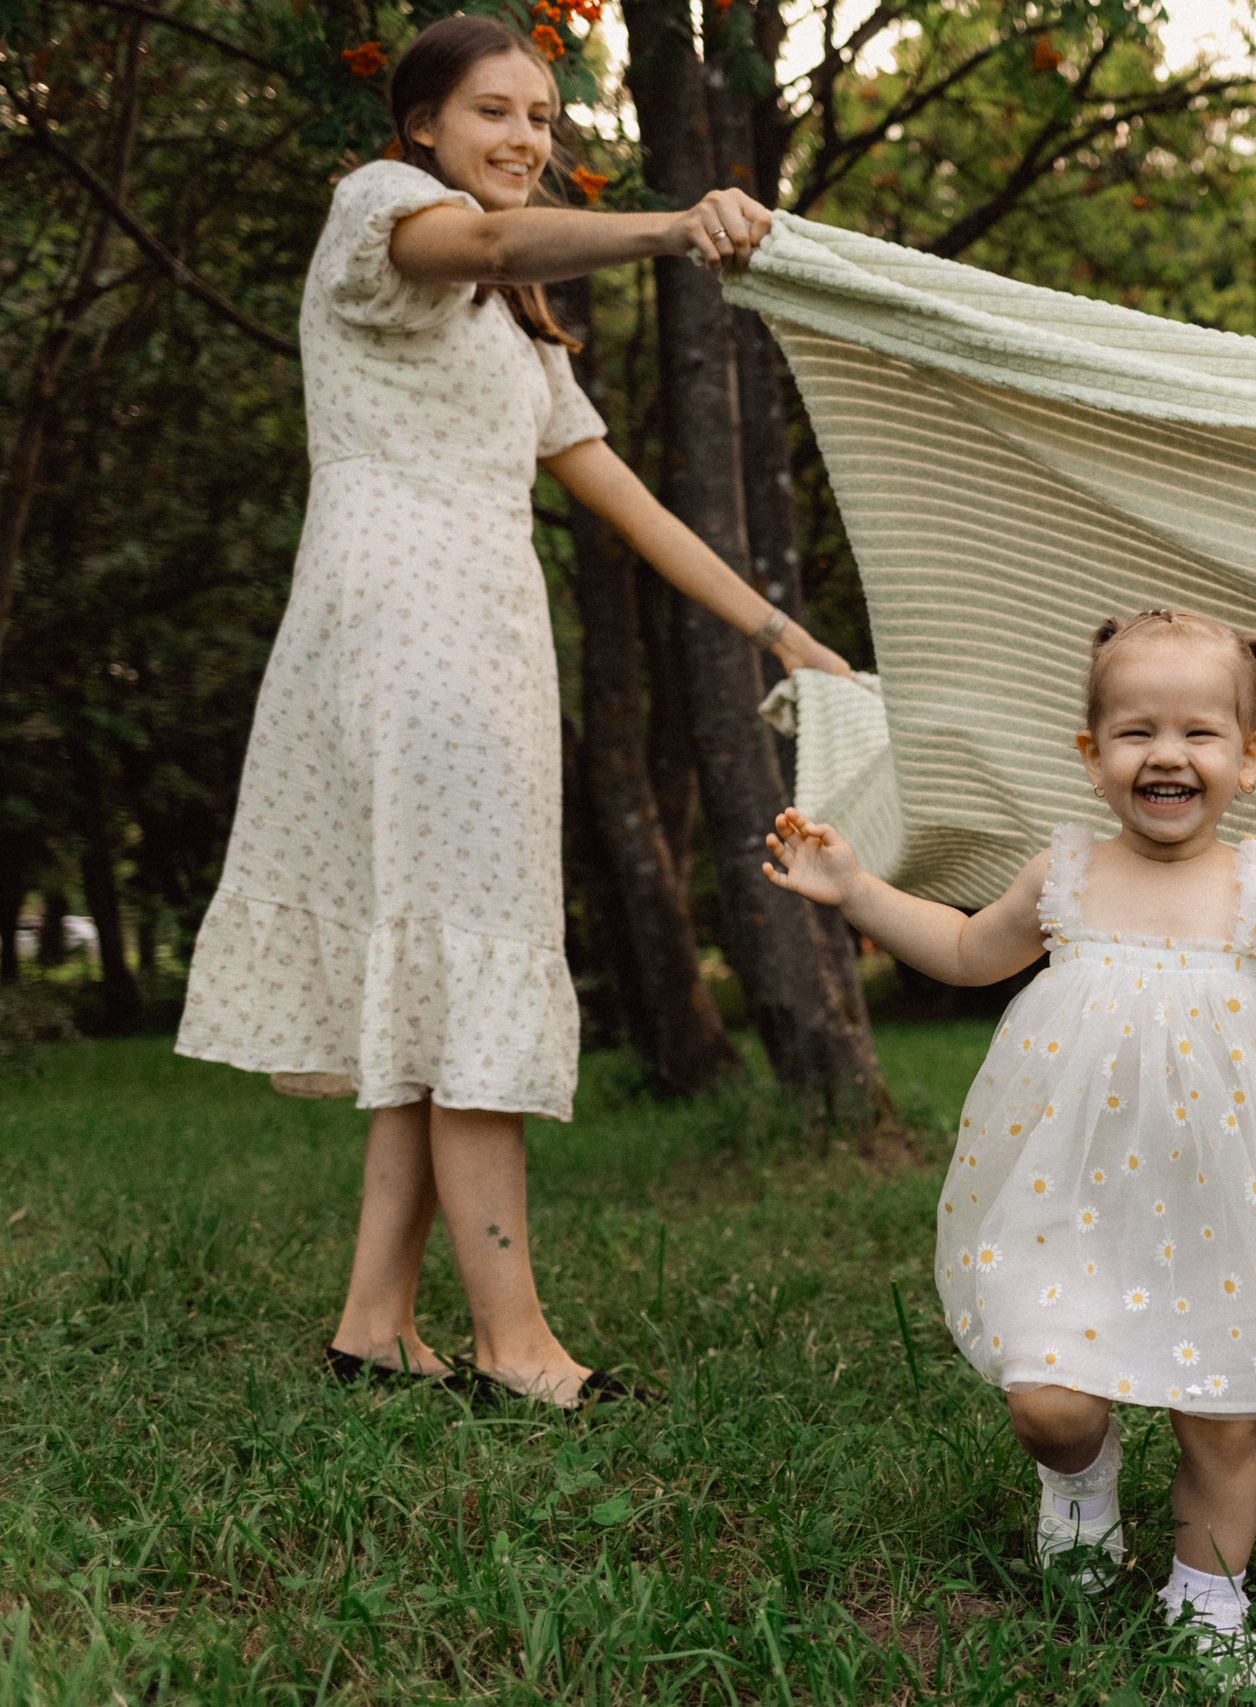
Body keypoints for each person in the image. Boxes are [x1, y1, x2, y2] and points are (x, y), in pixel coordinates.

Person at [174, 13, 851, 1411]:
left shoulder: (514, 320)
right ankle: (515, 1339)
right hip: (400, 623)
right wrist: (677, 231)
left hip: (483, 632)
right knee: (472, 947)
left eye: (543, 118)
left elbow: (621, 495)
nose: (527, 139)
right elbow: (476, 241)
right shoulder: (383, 211)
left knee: (444, 962)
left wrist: (787, 632)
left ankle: (374, 1322)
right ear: (422, 124)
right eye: (496, 111)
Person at [760, 608, 1256, 1660]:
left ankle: (1208, 1605)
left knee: (1221, 1416)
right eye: (1136, 732)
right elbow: (963, 952)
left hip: (1219, 1194)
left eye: (1200, 732)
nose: (1168, 754)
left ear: (1250, 758)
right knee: (1048, 1399)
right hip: (1073, 1193)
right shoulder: (1064, 871)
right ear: (1092, 759)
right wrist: (857, 890)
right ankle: (1079, 1480)